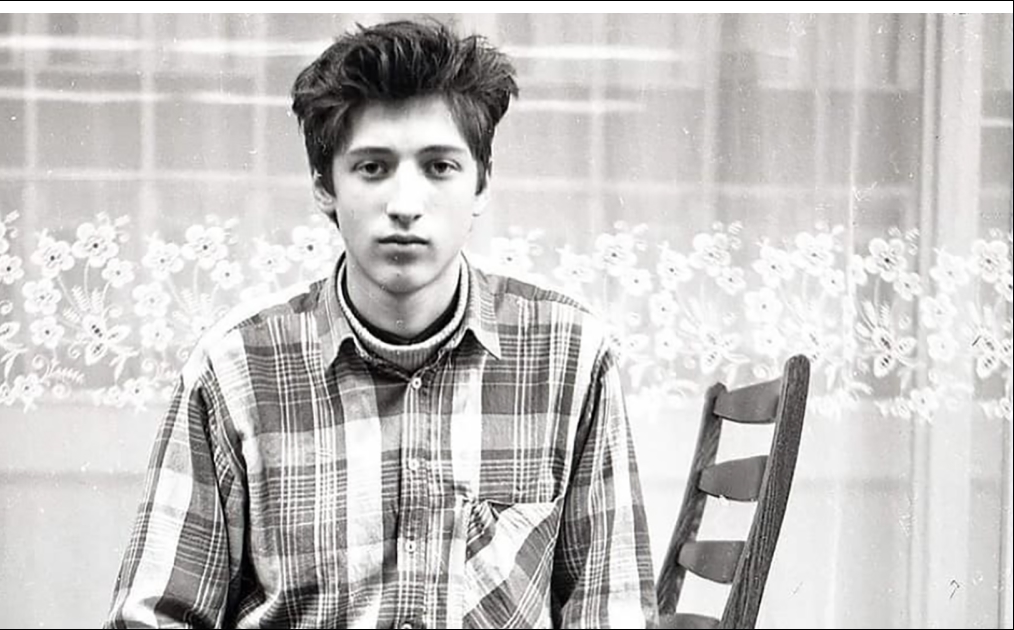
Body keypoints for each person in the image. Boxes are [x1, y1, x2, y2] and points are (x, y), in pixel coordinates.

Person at [105, 18, 656, 629]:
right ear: (324, 185)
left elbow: (612, 608)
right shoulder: (236, 367)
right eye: (372, 167)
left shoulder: (568, 353)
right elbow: (155, 616)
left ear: (481, 184)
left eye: (439, 167)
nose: (404, 205)